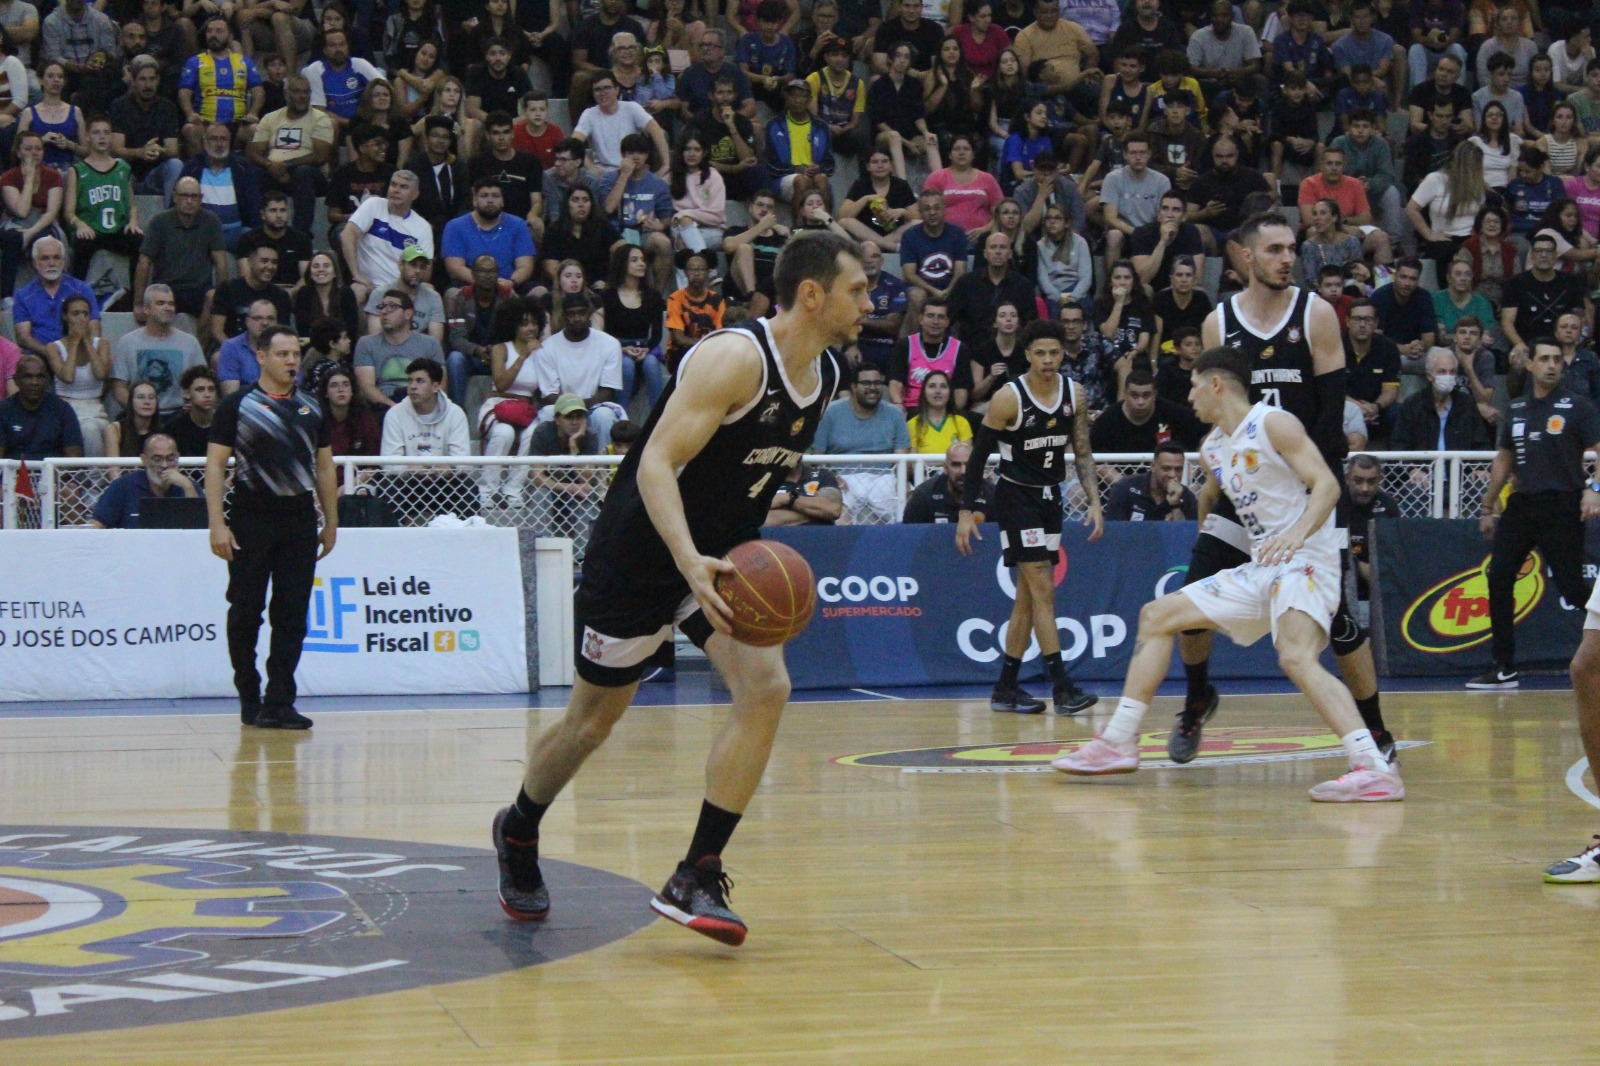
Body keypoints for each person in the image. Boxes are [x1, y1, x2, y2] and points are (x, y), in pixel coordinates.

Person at [489, 231, 868, 947]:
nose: (870, 303)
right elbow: (657, 464)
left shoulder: (827, 378)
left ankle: (697, 870)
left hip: (716, 560)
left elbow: (745, 475)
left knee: (766, 686)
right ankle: (519, 827)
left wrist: (723, 553)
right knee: (591, 725)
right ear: (813, 294)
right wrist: (687, 557)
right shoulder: (733, 358)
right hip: (641, 554)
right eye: (859, 289)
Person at [1053, 345, 1404, 802]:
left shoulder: (1273, 423)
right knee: (1157, 615)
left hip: (1306, 560)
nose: (1190, 397)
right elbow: (1215, 496)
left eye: (1195, 386)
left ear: (1217, 384)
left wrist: (1297, 533)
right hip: (1265, 566)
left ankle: (1372, 766)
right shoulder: (1213, 446)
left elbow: (1328, 485)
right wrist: (1204, 534)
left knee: (1295, 657)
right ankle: (1118, 741)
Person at [1170, 212, 1395, 766]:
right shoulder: (1219, 323)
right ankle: (1198, 697)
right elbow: (1218, 411)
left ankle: (1376, 732)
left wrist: (1301, 489)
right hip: (1244, 487)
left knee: (1339, 624)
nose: (1286, 258)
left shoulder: (1316, 313)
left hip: (1300, 489)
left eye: (1291, 248)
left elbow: (1329, 412)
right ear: (1245, 257)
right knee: (1191, 600)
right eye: (1273, 249)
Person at [956, 317, 1100, 715]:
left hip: (1050, 498)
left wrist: (1094, 500)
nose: (1049, 359)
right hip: (1015, 498)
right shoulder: (1009, 397)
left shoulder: (1075, 393)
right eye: (1040, 353)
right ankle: (1062, 687)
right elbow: (978, 456)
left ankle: (1005, 688)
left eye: (1055, 352)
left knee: (1026, 598)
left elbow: (1083, 452)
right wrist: (967, 511)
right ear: (1027, 355)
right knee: (1043, 590)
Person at [206, 325, 337, 731]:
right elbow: (214, 465)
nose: (291, 361)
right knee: (246, 611)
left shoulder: (312, 406)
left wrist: (331, 520)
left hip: (298, 518)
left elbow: (325, 466)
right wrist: (216, 523)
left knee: (293, 614)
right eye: (281, 354)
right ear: (260, 357)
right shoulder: (237, 405)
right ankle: (250, 695)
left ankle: (280, 700)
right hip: (251, 515)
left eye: (295, 354)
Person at [1471, 338, 1600, 690]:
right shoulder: (1516, 408)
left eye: (1557, 359)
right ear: (1528, 364)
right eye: (1544, 358)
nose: (1551, 365)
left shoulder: (1577, 406)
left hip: (1562, 504)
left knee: (1573, 588)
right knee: (1498, 576)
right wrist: (1487, 506)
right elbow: (1504, 459)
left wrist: (1594, 489)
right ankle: (1504, 666)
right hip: (1522, 504)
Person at [477, 297, 545, 507]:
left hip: (524, 410)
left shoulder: (542, 351)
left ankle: (513, 489)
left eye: (534, 323)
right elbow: (502, 383)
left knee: (534, 434)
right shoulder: (501, 349)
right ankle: (488, 489)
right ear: (512, 325)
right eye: (524, 323)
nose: (530, 328)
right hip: (497, 404)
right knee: (504, 432)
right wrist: (522, 356)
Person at [534, 293, 625, 447]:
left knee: (604, 416)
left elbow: (607, 391)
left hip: (595, 407)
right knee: (548, 413)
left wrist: (579, 409)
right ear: (563, 316)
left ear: (589, 313)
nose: (577, 318)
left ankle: (604, 469)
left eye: (581, 313)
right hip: (561, 409)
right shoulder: (546, 348)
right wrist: (571, 411)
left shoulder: (610, 344)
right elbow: (549, 395)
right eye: (571, 314)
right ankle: (551, 469)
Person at [340, 170, 434, 308]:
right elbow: (347, 235)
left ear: (415, 195)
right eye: (393, 185)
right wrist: (356, 274)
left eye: (403, 187)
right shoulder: (373, 205)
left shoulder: (422, 227)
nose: (396, 190)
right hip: (368, 285)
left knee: (429, 291)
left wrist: (406, 285)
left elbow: (426, 272)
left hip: (402, 288)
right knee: (355, 292)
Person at [110, 285, 205, 419]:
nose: (168, 308)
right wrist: (137, 409)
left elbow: (202, 382)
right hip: (139, 415)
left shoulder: (190, 342)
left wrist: (193, 404)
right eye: (161, 303)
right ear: (146, 309)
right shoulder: (127, 342)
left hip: (180, 414)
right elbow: (119, 388)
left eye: (171, 304)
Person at [1501, 233, 1590, 365]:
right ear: (1531, 254)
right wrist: (1519, 344)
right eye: (1539, 251)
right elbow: (1507, 322)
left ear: (1556, 255)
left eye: (1549, 251)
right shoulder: (1515, 283)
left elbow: (1580, 318)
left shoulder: (1571, 282)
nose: (1543, 255)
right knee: (1518, 363)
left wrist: (1571, 346)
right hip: (1527, 346)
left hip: (1563, 346)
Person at [354, 287, 446, 408]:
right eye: (382, 306)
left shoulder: (430, 344)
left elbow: (440, 386)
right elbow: (367, 388)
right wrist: (397, 410)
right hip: (384, 406)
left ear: (408, 314)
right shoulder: (366, 343)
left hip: (420, 405)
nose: (384, 311)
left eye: (391, 306)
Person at [1390, 346, 1492, 450]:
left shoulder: (1467, 404)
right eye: (1442, 372)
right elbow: (1399, 445)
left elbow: (1481, 445)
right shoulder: (1412, 405)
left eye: (1452, 372)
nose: (1448, 376)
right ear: (1429, 376)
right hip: (1422, 466)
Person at [90, 432, 200, 528]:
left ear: (178, 457)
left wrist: (187, 486)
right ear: (144, 460)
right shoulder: (123, 486)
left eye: (170, 459)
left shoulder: (189, 486)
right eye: (157, 459)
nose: (164, 465)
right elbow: (97, 525)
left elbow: (200, 528)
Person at [1090, 365, 1205, 453]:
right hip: (1118, 479)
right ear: (1125, 394)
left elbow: (1207, 427)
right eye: (1134, 395)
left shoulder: (1170, 411)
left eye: (1146, 395)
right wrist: (1121, 482)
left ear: (1154, 394)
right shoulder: (1109, 418)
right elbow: (1093, 455)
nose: (1140, 402)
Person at [379, 356, 471, 457]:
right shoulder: (394, 415)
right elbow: (390, 465)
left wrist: (443, 469)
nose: (412, 386)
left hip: (446, 473)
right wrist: (412, 468)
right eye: (410, 381)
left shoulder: (455, 414)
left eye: (420, 381)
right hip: (408, 473)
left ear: (435, 387)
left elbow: (463, 464)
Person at [0, 353, 82, 459]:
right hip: (14, 474)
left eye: (40, 377)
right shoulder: (3, 410)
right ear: (16, 380)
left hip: (54, 473)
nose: (35, 382)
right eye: (28, 376)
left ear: (48, 380)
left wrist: (49, 475)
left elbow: (74, 458)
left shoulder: (63, 410)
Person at [902, 438, 993, 523]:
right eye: (956, 465)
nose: (963, 471)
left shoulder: (991, 494)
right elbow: (909, 535)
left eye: (969, 465)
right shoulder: (924, 495)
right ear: (945, 468)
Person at [1103, 440, 1197, 521]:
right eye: (1166, 468)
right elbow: (1114, 531)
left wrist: (1175, 505)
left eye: (1178, 469)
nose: (1172, 475)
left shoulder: (1187, 496)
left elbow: (1186, 535)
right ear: (1153, 466)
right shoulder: (1125, 488)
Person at [664, 250, 726, 366]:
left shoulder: (717, 300)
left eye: (701, 269)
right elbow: (679, 338)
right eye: (692, 269)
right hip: (680, 352)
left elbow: (719, 333)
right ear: (685, 272)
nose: (696, 273)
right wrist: (702, 345)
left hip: (709, 350)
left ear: (708, 272)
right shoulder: (675, 298)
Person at [293, 251, 361, 340]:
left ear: (335, 273)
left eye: (326, 266)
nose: (321, 269)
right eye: (316, 266)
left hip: (341, 347)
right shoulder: (304, 294)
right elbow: (303, 330)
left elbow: (351, 330)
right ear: (310, 274)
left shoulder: (346, 293)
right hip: (312, 348)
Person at [164, 364, 220, 457]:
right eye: (200, 389)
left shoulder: (227, 426)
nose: (207, 394)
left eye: (211, 389)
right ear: (187, 393)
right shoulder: (174, 429)